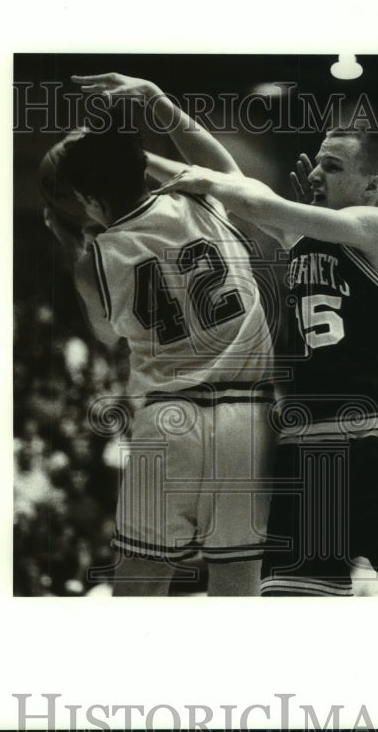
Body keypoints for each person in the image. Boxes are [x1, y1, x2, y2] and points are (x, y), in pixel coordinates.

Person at [154, 127, 378, 597]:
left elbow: (251, 201)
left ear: (372, 187)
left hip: (375, 447)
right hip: (304, 457)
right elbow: (239, 185)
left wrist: (205, 183)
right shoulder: (303, 234)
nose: (314, 173)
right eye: (318, 162)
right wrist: (150, 129)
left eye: (332, 166)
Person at [39, 73, 276, 596]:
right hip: (247, 418)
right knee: (237, 584)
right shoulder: (204, 199)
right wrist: (155, 100)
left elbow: (106, 336)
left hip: (167, 420)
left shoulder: (94, 261)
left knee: (140, 585)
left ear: (87, 201)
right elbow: (227, 172)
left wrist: (70, 246)